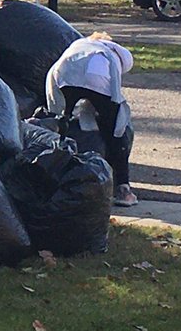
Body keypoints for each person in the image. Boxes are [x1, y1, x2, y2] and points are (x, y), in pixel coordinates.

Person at [46, 31, 138, 206]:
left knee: (61, 126)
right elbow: (112, 93)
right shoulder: (114, 52)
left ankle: (53, 176)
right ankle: (123, 189)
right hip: (98, 75)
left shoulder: (79, 45)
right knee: (115, 132)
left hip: (64, 73)